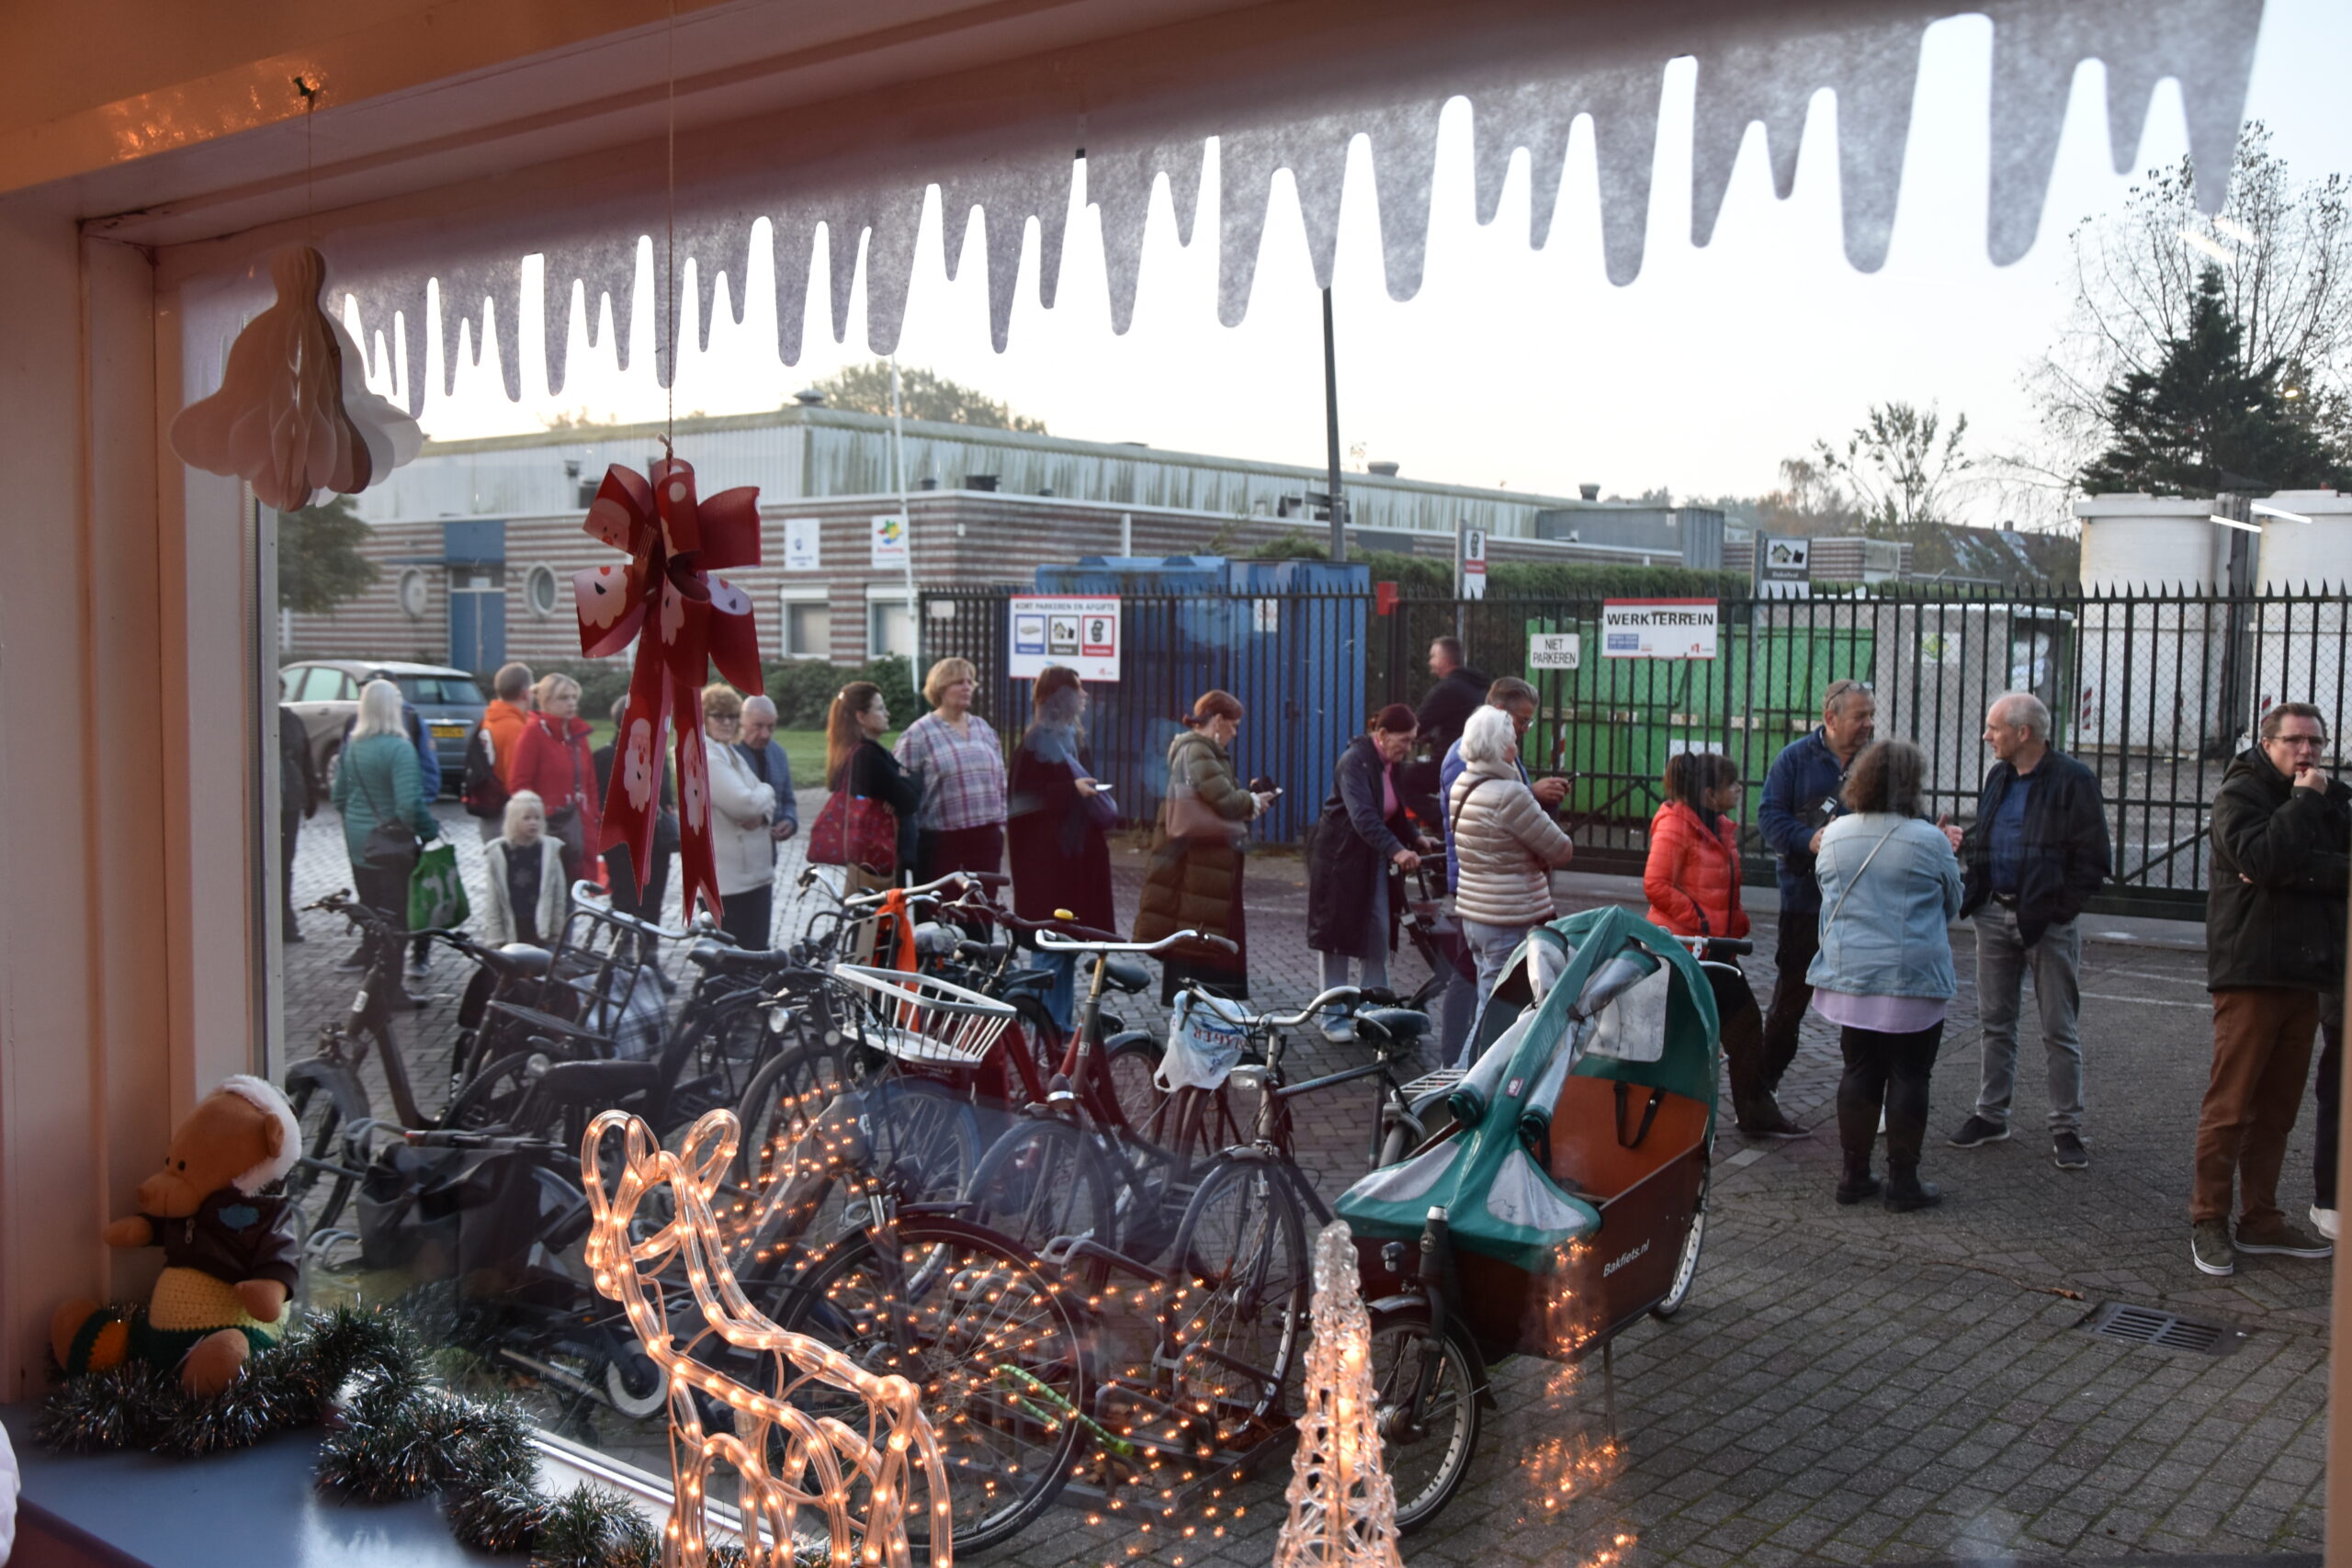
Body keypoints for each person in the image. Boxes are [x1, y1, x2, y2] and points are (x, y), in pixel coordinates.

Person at [2189, 702, 2348, 1276]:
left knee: (2278, 1109)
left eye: (2315, 742)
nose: (2307, 752)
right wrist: (2303, 805)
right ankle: (2208, 1219)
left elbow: (2334, 867)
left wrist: (2293, 870)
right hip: (2251, 970)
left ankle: (2261, 1219)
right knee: (2231, 1105)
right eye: (2294, 740)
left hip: (2306, 974)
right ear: (2267, 743)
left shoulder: (2331, 797)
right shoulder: (2241, 794)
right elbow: (2260, 857)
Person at [1949, 692, 2112, 1169]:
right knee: (1995, 1022)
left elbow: (2093, 857)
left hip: (2046, 922)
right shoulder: (1998, 775)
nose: (1987, 736)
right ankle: (1991, 1114)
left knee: (2058, 1028)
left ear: (2023, 733)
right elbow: (1991, 834)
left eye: (1994, 728)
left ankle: (2065, 1127)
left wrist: (2059, 909)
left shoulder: (2073, 780)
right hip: (1994, 914)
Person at [1809, 739, 1962, 1213]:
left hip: (1852, 972)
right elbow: (1953, 903)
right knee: (1911, 1073)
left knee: (1858, 1069)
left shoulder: (1835, 834)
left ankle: (1853, 1175)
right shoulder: (1929, 839)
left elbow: (1826, 892)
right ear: (1912, 785)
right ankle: (1903, 1182)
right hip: (1912, 976)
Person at [1755, 679, 1879, 1126]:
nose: (1869, 724)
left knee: (1862, 1004)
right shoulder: (1794, 759)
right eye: (1860, 716)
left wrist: (1929, 831)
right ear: (1831, 718)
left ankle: (1865, 1097)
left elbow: (1905, 811)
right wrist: (1807, 840)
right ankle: (1761, 1093)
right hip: (1805, 902)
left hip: (1861, 905)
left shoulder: (1877, 760)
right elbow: (1769, 816)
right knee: (1790, 1001)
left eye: (1871, 715)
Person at [1645, 750, 1788, 1137]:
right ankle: (1667, 1122)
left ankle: (1754, 1114)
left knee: (1744, 1028)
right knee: (1687, 1038)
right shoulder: (1675, 826)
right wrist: (1704, 922)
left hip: (1716, 949)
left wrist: (1734, 923)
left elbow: (1722, 886)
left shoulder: (1720, 827)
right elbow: (1656, 884)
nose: (1739, 789)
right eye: (1731, 784)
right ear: (1709, 794)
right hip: (1685, 950)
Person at [1134, 690, 1272, 1003]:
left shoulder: (1197, 750)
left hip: (1201, 865)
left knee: (1198, 945)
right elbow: (1225, 800)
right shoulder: (1198, 750)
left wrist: (1246, 798)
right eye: (1233, 725)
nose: (1235, 733)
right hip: (1198, 867)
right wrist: (1251, 800)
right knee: (1198, 947)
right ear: (1218, 720)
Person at [1307, 705, 1434, 1043]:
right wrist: (1397, 850)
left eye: (1412, 740)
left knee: (1378, 931)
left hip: (1370, 857)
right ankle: (1332, 1017)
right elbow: (1363, 815)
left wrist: (1415, 837)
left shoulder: (1390, 764)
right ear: (1382, 735)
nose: (1409, 747)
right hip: (1340, 859)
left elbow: (1395, 811)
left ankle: (1373, 1012)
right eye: (1404, 740)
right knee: (1336, 938)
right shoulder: (1354, 762)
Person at [1447, 705, 1576, 1030]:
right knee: (1499, 1008)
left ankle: (1475, 1056)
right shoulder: (1511, 794)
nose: (1516, 746)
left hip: (1474, 914)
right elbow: (1561, 850)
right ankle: (1479, 1061)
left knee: (1487, 994)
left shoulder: (1462, 784)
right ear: (1503, 747)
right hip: (1508, 914)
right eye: (1512, 740)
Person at [1008, 667, 1119, 1029]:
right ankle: (1045, 1031)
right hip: (1048, 872)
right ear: (1060, 697)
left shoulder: (1069, 739)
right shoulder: (1035, 744)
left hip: (1070, 867)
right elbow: (1023, 803)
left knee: (1066, 949)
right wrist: (1072, 790)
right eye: (1078, 689)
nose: (1085, 696)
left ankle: (1058, 1029)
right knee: (1052, 950)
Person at [330, 679, 439, 1001]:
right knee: (395, 921)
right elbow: (408, 806)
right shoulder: (399, 749)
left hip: (359, 845)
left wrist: (358, 823)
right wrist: (430, 831)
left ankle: (372, 987)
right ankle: (390, 993)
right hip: (391, 847)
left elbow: (339, 797)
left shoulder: (353, 745)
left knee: (372, 917)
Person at [897, 657, 1008, 883]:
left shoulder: (983, 729)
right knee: (941, 905)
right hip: (941, 844)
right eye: (959, 682)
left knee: (982, 904)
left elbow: (1001, 783)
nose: (967, 687)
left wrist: (1001, 826)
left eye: (970, 682)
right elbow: (903, 792)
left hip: (986, 839)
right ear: (940, 688)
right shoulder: (918, 734)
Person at [593, 694, 676, 959]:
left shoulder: (657, 754)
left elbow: (667, 798)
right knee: (624, 899)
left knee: (653, 900)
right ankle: (621, 956)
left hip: (655, 842)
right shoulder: (604, 757)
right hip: (621, 844)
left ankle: (649, 957)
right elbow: (599, 802)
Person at [704, 683, 781, 952]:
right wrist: (767, 791)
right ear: (703, 718)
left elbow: (760, 804)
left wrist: (762, 807)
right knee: (733, 959)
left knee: (754, 952)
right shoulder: (707, 757)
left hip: (751, 876)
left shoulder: (728, 751)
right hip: (729, 882)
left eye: (732, 716)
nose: (727, 722)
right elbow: (745, 805)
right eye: (718, 715)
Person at [826, 680, 922, 888]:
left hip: (868, 857)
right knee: (883, 908)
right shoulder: (867, 756)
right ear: (861, 717)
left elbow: (909, 786)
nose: (887, 713)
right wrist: (905, 779)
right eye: (880, 708)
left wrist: (904, 783)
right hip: (880, 859)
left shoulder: (853, 751)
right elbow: (910, 800)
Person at [509, 672, 599, 880]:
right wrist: (534, 819)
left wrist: (593, 815)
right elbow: (519, 784)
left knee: (578, 886)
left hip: (580, 826)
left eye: (574, 697)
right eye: (563, 698)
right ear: (546, 701)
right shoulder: (533, 733)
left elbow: (590, 782)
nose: (571, 703)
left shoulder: (578, 735)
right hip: (548, 827)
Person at [481, 789, 567, 947]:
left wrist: (556, 929)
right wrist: (495, 936)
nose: (533, 822)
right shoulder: (499, 852)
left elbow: (558, 894)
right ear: (514, 820)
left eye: (537, 818)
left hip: (539, 923)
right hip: (513, 921)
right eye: (526, 818)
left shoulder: (549, 850)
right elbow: (494, 898)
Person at [475, 661, 534, 844]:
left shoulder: (489, 720)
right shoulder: (516, 729)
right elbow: (517, 780)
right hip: (509, 817)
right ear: (525, 692)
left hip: (489, 811)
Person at [277, 703, 319, 944]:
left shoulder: (290, 720)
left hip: (289, 804)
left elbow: (305, 760)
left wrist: (311, 795)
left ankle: (285, 920)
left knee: (284, 864)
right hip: (267, 803)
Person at [738, 694, 801, 845]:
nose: (765, 734)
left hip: (768, 850)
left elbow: (788, 799)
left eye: (771, 727)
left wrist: (789, 820)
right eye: (757, 726)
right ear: (741, 723)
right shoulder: (728, 755)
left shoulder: (779, 754)